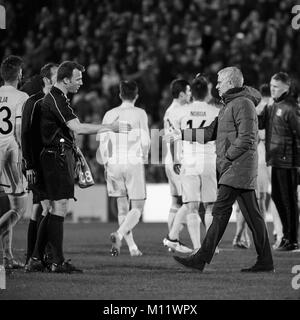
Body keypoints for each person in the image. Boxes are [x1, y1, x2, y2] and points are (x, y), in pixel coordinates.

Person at [25, 61, 131, 273]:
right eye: (78, 78)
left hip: (55, 157)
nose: (82, 82)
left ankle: (37, 258)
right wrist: (110, 127)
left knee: (54, 208)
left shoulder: (58, 98)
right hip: (56, 158)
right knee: (58, 207)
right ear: (66, 80)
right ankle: (57, 261)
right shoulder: (56, 99)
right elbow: (78, 128)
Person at [167, 67, 274, 272]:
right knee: (253, 216)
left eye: (219, 82)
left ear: (231, 83)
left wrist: (227, 157)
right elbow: (209, 133)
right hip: (235, 167)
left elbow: (247, 138)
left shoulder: (242, 104)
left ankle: (201, 258)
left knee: (220, 211)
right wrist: (181, 134)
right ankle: (266, 261)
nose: (215, 86)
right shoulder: (230, 104)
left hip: (237, 168)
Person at [164, 76, 219, 254]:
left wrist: (175, 159)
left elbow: (172, 137)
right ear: (208, 92)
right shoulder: (215, 111)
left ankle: (196, 248)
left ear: (192, 93)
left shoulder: (179, 112)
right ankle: (210, 246)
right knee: (210, 206)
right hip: (209, 159)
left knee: (191, 205)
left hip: (189, 160)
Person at [99, 80, 150, 257]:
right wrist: (144, 156)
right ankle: (119, 235)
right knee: (137, 207)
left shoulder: (109, 114)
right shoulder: (140, 114)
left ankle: (132, 248)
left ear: (120, 95)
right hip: (132, 161)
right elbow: (146, 140)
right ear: (136, 95)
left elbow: (103, 142)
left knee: (122, 208)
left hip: (113, 163)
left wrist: (106, 163)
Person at [258, 72, 300, 251]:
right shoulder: (272, 106)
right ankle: (286, 237)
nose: (272, 89)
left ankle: (292, 239)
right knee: (278, 198)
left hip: (289, 162)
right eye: (271, 86)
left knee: (289, 200)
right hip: (275, 160)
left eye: (275, 87)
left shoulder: (291, 107)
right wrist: (258, 111)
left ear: (286, 88)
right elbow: (259, 125)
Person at [22, 63, 58, 268]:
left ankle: (32, 256)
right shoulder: (34, 102)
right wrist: (29, 165)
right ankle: (46, 257)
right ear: (46, 79)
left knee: (38, 209)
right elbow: (26, 134)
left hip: (48, 164)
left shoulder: (55, 101)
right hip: (37, 166)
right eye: (56, 75)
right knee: (51, 209)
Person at [0, 56, 29, 269]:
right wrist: (25, 154)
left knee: (7, 207)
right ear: (19, 74)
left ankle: (7, 257)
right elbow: (19, 129)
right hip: (10, 154)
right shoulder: (22, 96)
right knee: (19, 206)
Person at [162, 79, 193, 254]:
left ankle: (172, 241)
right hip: (177, 160)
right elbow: (174, 137)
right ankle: (173, 239)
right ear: (181, 94)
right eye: (188, 92)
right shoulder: (177, 111)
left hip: (171, 159)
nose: (190, 95)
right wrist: (176, 160)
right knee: (187, 201)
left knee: (176, 202)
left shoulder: (169, 110)